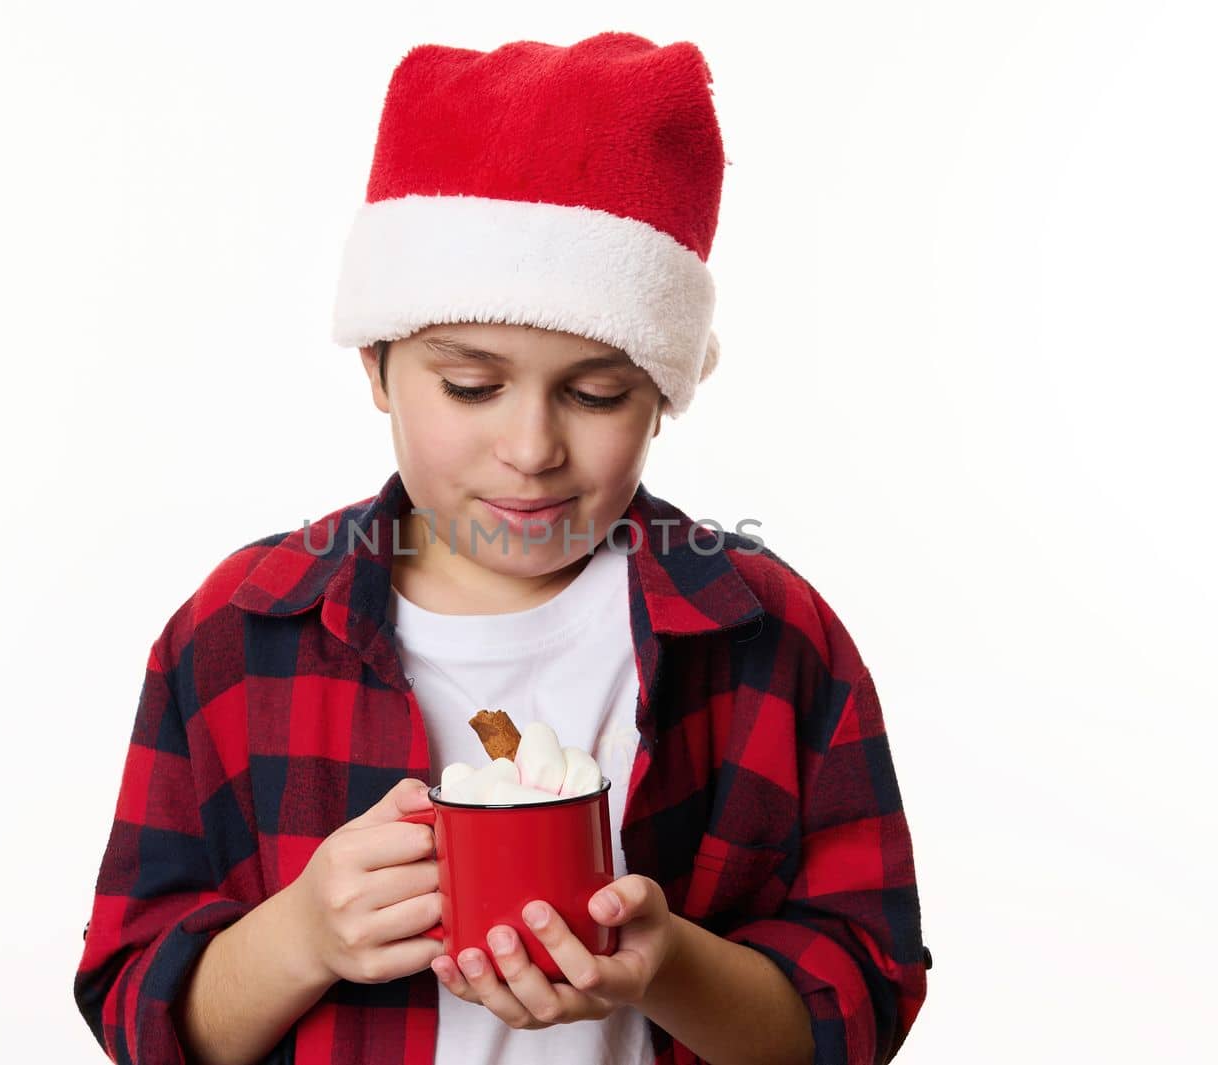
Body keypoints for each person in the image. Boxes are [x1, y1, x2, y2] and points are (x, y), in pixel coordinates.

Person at [73, 31, 928, 1065]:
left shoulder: (766, 638)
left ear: (661, 395)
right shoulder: (241, 631)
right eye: (471, 386)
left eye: (598, 392)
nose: (530, 450)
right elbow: (136, 1010)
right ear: (379, 370)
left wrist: (671, 967)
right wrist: (298, 936)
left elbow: (856, 1011)